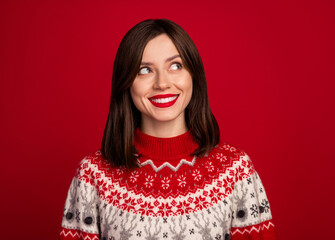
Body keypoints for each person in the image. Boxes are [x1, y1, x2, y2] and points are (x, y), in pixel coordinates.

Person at [59, 19, 277, 240]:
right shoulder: (92, 175)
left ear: (194, 75)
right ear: (126, 83)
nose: (162, 83)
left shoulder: (235, 171)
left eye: (175, 66)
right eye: (145, 70)